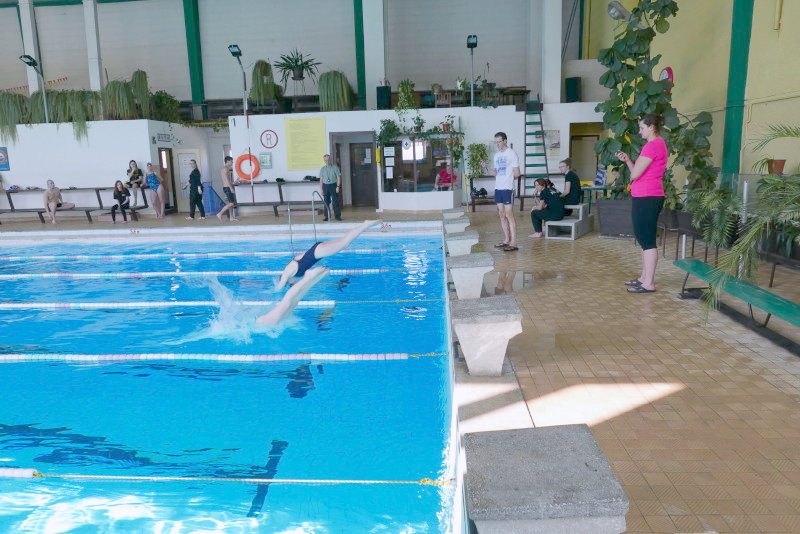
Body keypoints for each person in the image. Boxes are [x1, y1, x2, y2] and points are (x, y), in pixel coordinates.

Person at [615, 113, 667, 294]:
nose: (640, 131)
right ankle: (644, 278)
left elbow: (635, 174)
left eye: (642, 128)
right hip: (645, 195)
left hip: (648, 196)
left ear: (652, 127)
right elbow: (638, 173)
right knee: (643, 238)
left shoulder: (652, 145)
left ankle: (649, 283)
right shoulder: (656, 145)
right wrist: (628, 161)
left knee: (647, 239)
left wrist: (633, 169)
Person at [276, 220, 379, 290]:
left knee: (345, 242)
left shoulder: (287, 272)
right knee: (344, 241)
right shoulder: (292, 271)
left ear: (286, 281)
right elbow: (303, 257)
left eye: (290, 284)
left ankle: (365, 225)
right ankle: (365, 225)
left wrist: (274, 290)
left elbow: (279, 287)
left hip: (318, 252)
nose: (293, 283)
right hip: (317, 250)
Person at [257, 266, 330, 325]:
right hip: (264, 325)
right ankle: (315, 279)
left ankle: (307, 277)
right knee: (292, 305)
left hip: (261, 324)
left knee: (286, 304)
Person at [491, 132, 520, 251]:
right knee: (501, 214)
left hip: (507, 188)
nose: (497, 144)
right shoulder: (496, 155)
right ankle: (507, 240)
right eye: (496, 142)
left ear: (505, 141)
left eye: (499, 141)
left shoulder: (511, 153)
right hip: (498, 188)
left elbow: (517, 173)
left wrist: (508, 178)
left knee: (509, 215)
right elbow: (496, 173)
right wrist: (490, 170)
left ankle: (514, 242)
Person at [216, 156, 239, 222]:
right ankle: (219, 213)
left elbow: (228, 180)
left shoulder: (225, 168)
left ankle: (231, 217)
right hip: (227, 188)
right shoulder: (225, 169)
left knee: (230, 203)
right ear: (228, 161)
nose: (232, 162)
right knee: (232, 203)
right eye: (231, 161)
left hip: (227, 187)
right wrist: (231, 188)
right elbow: (226, 180)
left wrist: (234, 182)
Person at [319, 154, 342, 221]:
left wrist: (338, 186)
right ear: (324, 161)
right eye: (326, 160)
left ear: (330, 159)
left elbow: (338, 177)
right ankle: (327, 216)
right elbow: (321, 180)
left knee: (335, 201)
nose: (327, 161)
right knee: (326, 202)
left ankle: (337, 216)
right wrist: (321, 189)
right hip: (325, 186)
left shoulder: (335, 167)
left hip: (333, 185)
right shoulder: (322, 169)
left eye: (328, 160)